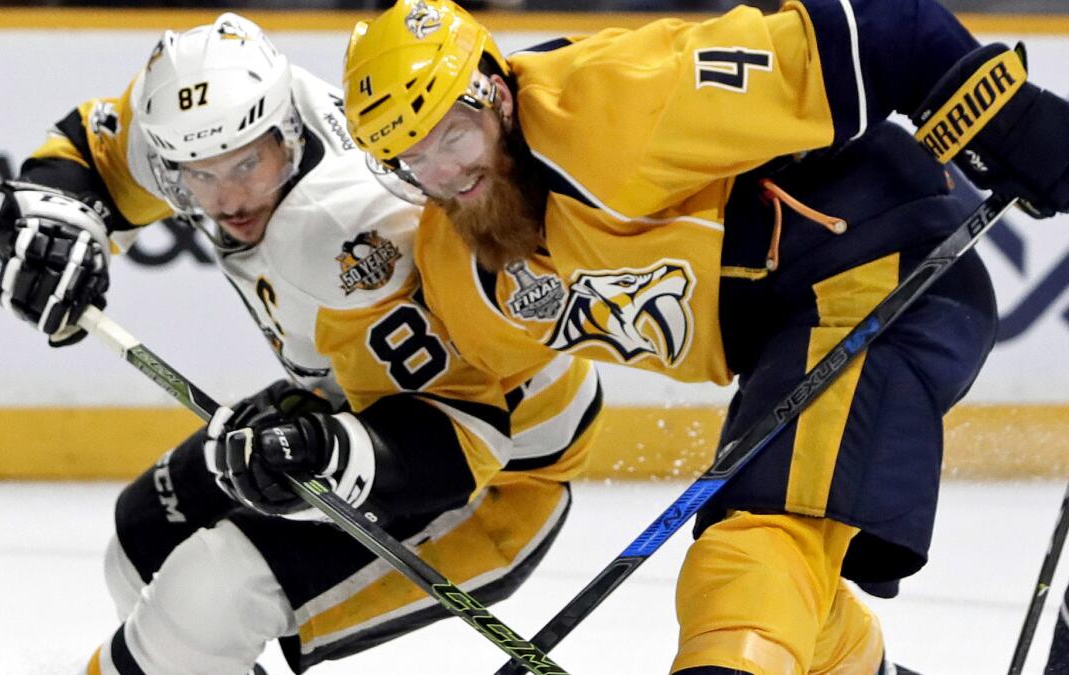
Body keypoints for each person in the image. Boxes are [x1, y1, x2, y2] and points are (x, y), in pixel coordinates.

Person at [344, 0, 1069, 672]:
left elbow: (886, 33)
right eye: (411, 157)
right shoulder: (460, 263)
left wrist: (1012, 120)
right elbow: (456, 417)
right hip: (787, 336)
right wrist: (335, 443)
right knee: (789, 589)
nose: (443, 173)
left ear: (495, 94)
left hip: (886, 266)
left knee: (753, 547)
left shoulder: (618, 98)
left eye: (452, 136)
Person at [0, 13, 603, 674]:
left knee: (209, 594)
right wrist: (59, 220)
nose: (228, 200)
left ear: (285, 131)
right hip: (364, 396)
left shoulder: (349, 228)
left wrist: (328, 446)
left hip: (501, 470)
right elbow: (97, 152)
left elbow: (464, 433)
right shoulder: (208, 114)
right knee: (144, 540)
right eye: (199, 176)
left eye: (249, 164)